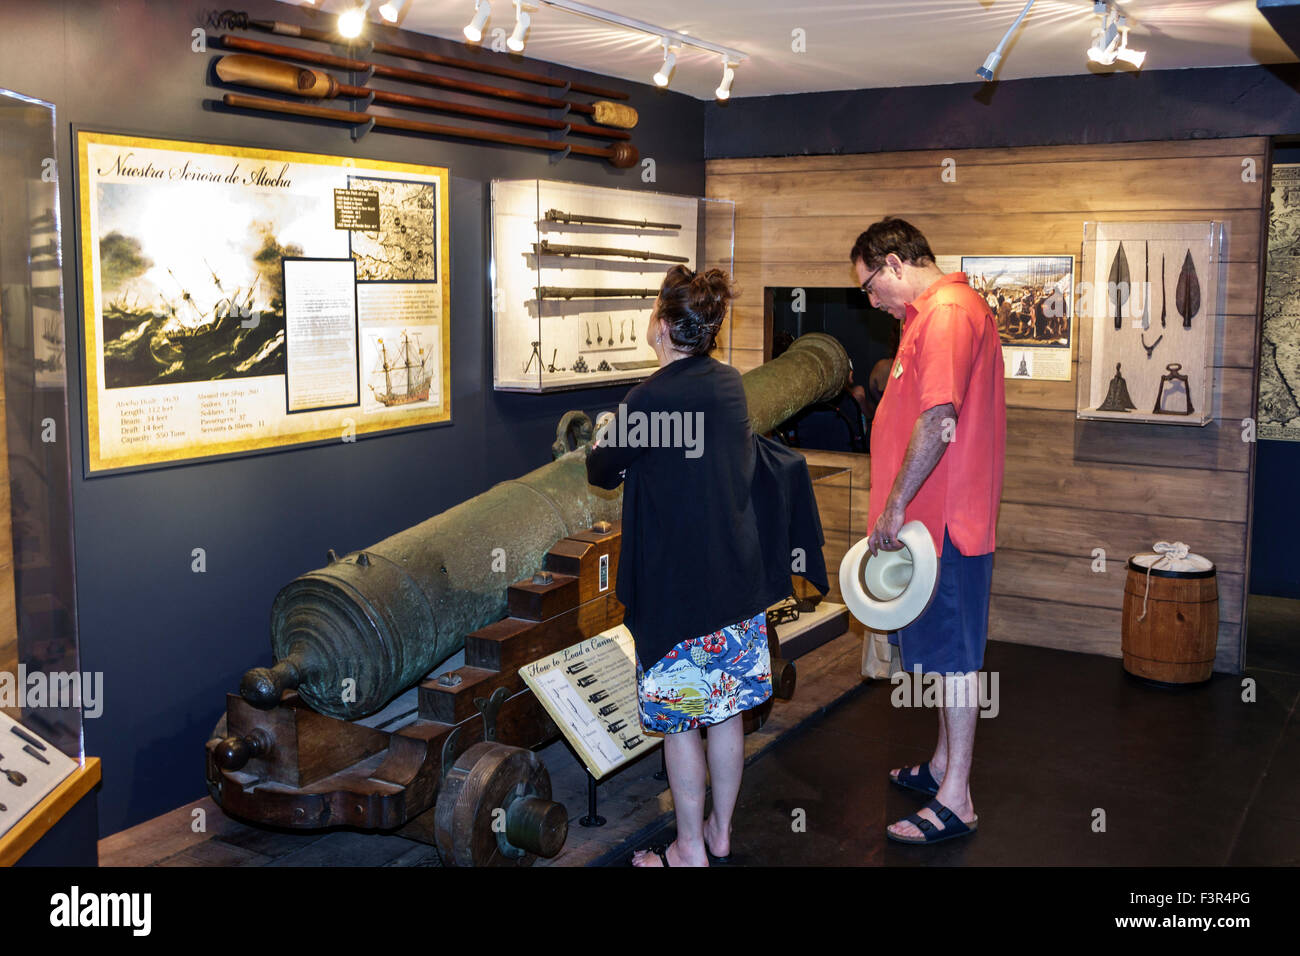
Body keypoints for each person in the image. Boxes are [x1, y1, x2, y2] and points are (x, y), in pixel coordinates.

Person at [586, 265, 771, 867]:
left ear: (663, 325)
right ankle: (719, 832)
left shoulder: (647, 399)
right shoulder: (729, 384)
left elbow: (600, 468)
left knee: (681, 722)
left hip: (676, 593)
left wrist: (606, 437)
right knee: (725, 714)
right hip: (734, 582)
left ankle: (688, 848)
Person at [849, 217, 1006, 845]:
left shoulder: (945, 312)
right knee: (942, 659)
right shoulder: (934, 314)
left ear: (892, 263)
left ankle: (956, 798)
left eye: (868, 287)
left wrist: (894, 505)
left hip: (945, 525)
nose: (871, 301)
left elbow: (941, 417)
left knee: (958, 663)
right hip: (933, 524)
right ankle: (943, 765)